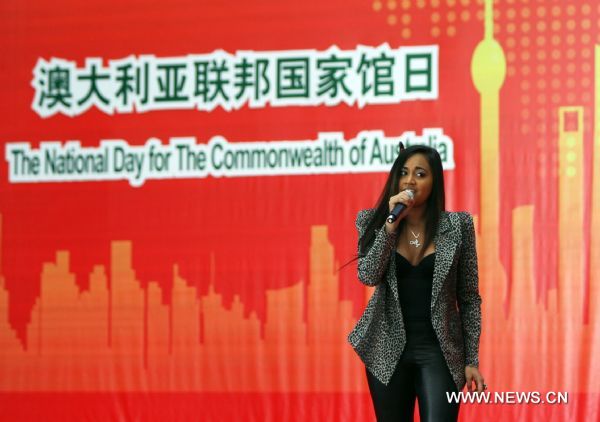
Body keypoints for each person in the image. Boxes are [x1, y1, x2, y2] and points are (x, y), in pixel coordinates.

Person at [347, 144, 485, 421]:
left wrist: (471, 360)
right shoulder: (372, 222)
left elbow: (469, 297)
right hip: (386, 350)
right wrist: (390, 227)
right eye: (404, 173)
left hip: (440, 352)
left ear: (434, 182)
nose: (410, 180)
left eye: (420, 174)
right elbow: (368, 275)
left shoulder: (458, 226)